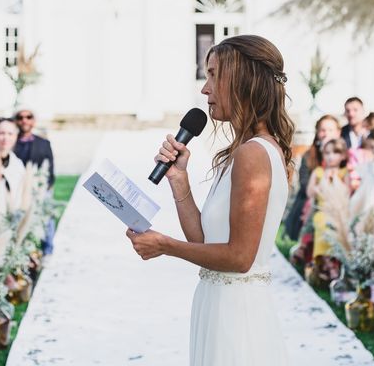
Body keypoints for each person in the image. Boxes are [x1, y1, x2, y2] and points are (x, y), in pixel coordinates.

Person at [126, 35, 293, 366]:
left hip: (238, 316)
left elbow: (240, 257)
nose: (205, 89)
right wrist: (178, 179)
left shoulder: (254, 154)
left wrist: (163, 245)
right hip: (217, 304)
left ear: (243, 79)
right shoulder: (241, 152)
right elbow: (204, 242)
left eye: (214, 74)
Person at [284, 114, 340, 242]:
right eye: (322, 130)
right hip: (311, 204)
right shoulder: (309, 156)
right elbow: (305, 185)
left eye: (330, 130)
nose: (326, 134)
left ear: (338, 132)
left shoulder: (344, 156)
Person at [306, 139, 349, 259]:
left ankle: (336, 265)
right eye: (327, 153)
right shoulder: (318, 172)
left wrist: (336, 179)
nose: (331, 157)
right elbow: (310, 193)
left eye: (335, 153)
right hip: (322, 213)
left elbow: (347, 193)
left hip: (339, 214)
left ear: (343, 156)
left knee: (338, 246)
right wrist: (322, 182)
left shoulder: (344, 172)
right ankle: (321, 265)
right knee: (322, 239)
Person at [0, 118, 25, 210]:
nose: (5, 138)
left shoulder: (18, 164)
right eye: (1, 133)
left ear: (16, 137)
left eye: (10, 134)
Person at [14, 108, 55, 187]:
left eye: (28, 117)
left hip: (36, 188)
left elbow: (50, 169)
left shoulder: (44, 143)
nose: (24, 120)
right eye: (20, 117)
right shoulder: (9, 142)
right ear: (15, 121)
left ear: (34, 120)